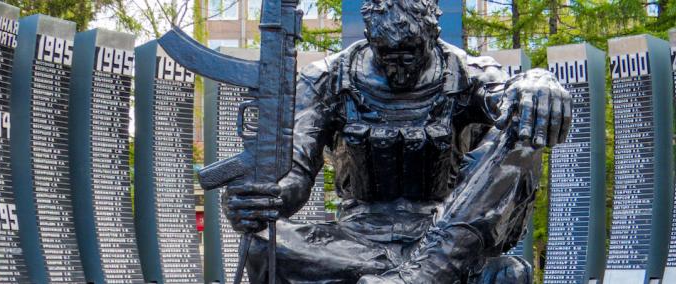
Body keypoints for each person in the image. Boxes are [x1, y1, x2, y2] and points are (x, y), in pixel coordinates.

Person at [219, 0, 572, 282]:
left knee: (525, 125)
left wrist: (537, 82)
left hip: (446, 235)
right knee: (262, 245)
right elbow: (295, 175)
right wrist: (262, 198)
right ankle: (417, 275)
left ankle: (426, 272)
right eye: (387, 53)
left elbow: (505, 96)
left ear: (432, 38)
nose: (399, 65)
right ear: (371, 39)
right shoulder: (326, 78)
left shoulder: (465, 71)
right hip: (357, 241)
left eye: (411, 52)